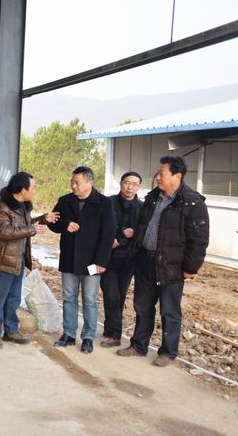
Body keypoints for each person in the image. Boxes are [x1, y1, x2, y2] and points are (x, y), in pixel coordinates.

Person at [117, 156, 209, 366]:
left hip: (171, 266)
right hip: (145, 261)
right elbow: (142, 226)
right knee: (142, 306)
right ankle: (138, 345)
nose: (158, 177)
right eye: (158, 172)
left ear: (177, 176)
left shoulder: (192, 202)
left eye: (162, 173)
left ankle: (167, 353)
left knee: (169, 311)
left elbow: (199, 239)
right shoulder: (153, 197)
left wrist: (191, 268)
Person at [0, 172, 58, 349]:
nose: (34, 191)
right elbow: (4, 232)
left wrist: (43, 219)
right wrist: (32, 229)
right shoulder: (1, 208)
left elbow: (23, 225)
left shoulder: (22, 206)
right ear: (22, 189)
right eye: (32, 188)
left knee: (14, 298)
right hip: (2, 261)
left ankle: (11, 330)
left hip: (18, 260)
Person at [48, 166, 116, 354]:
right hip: (69, 258)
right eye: (72, 182)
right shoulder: (65, 201)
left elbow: (108, 233)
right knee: (68, 298)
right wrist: (65, 225)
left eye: (77, 182)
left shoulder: (104, 203)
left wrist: (102, 261)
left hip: (92, 261)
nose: (73, 186)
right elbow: (53, 223)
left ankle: (88, 337)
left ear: (89, 182)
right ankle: (69, 334)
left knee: (90, 300)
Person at [99, 171, 143, 348]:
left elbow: (142, 233)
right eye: (126, 182)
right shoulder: (107, 203)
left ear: (139, 187)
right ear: (120, 183)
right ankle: (115, 335)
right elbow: (99, 227)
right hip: (108, 258)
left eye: (134, 184)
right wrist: (114, 238)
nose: (129, 187)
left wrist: (125, 238)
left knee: (120, 296)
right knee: (111, 295)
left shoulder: (143, 207)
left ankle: (111, 330)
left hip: (129, 260)